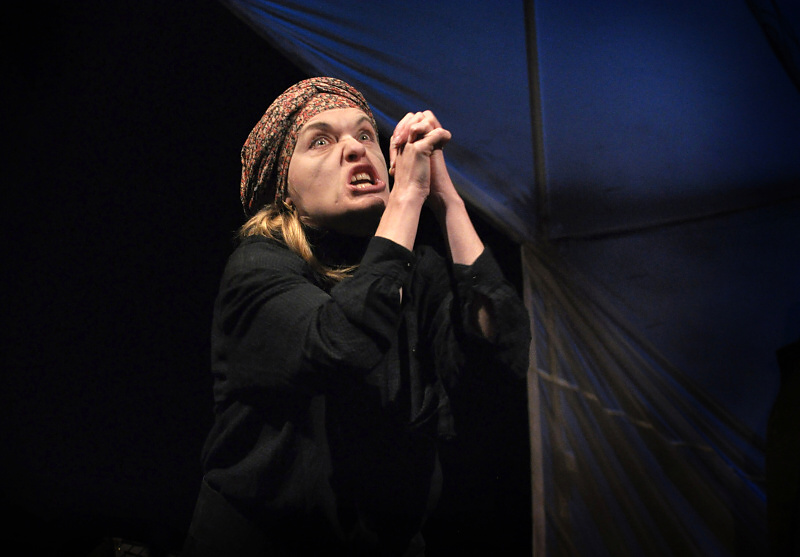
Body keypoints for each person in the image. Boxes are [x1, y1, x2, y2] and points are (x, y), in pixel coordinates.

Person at [182, 77, 531, 556]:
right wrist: (405, 200)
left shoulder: (418, 271)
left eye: (366, 134)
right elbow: (341, 343)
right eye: (320, 141)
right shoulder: (258, 267)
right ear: (285, 190)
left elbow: (501, 350)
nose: (354, 149)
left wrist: (446, 200)